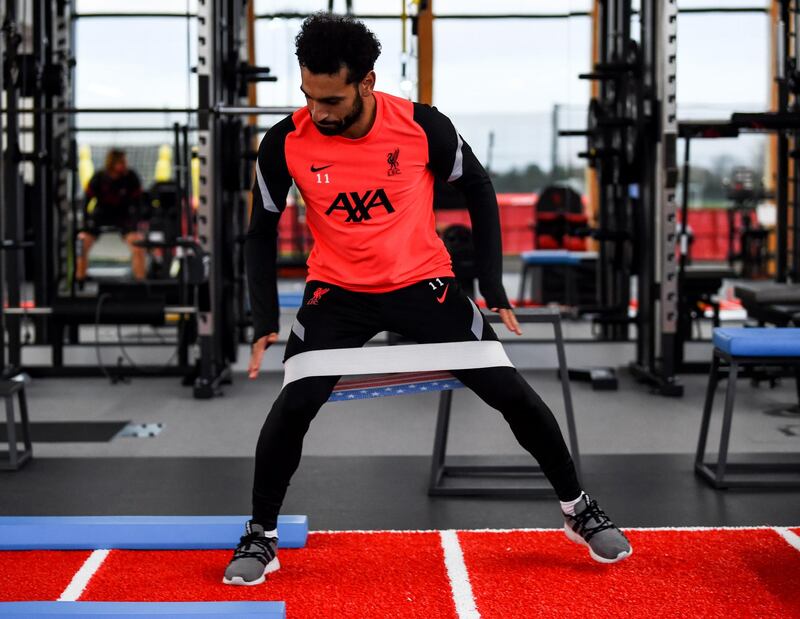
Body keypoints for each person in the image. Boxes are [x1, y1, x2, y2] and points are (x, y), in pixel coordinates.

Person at [225, 13, 632, 586]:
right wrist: (264, 316)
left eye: (332, 99)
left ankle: (577, 509)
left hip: (426, 286)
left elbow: (478, 185)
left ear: (367, 81)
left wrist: (491, 284)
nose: (319, 112)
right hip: (336, 296)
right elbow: (260, 229)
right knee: (293, 406)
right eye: (309, 97)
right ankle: (261, 536)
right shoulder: (285, 142)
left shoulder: (421, 127)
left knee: (508, 391)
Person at [76, 148, 146, 286]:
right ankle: (80, 280)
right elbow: (86, 201)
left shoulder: (131, 177)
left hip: (123, 217)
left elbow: (138, 204)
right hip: (101, 215)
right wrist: (85, 224)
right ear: (113, 163)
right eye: (121, 162)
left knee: (138, 243)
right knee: (82, 241)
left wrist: (136, 225)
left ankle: (140, 282)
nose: (125, 164)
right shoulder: (99, 177)